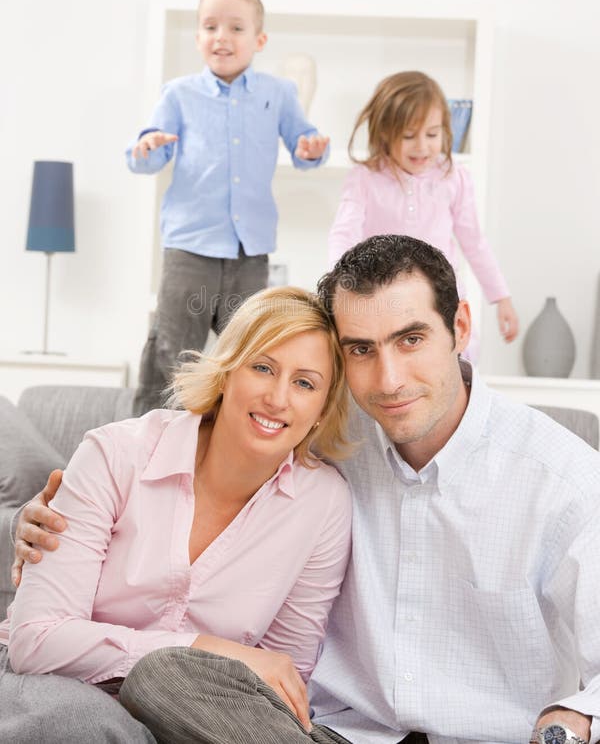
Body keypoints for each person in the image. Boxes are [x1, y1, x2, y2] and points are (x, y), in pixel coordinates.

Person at [11, 236, 600, 744]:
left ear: (461, 328)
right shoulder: (334, 442)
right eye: (362, 350)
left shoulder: (562, 479)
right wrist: (34, 522)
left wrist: (568, 722)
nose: (389, 379)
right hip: (335, 734)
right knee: (165, 675)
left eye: (411, 339)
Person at [1, 286, 352, 744]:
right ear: (227, 372)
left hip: (192, 710)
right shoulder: (116, 454)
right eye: (262, 367)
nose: (278, 398)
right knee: (87, 725)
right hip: (59, 688)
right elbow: (37, 642)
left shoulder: (323, 503)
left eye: (305, 383)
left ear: (322, 410)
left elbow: (281, 674)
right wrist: (202, 649)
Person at [128, 0, 330, 415]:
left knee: (248, 356)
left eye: (236, 28)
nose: (222, 36)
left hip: (249, 253)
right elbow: (146, 157)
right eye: (210, 26)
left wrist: (312, 148)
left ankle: (228, 439)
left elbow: (303, 144)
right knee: (172, 352)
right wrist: (147, 148)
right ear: (199, 37)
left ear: (259, 40)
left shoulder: (279, 94)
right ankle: (145, 446)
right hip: (190, 248)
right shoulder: (179, 93)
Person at [328, 71, 519, 358]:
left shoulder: (454, 177)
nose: (422, 146)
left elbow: (474, 242)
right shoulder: (365, 178)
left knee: (454, 363)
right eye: (408, 136)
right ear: (384, 133)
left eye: (432, 134)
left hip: (441, 297)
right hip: (385, 298)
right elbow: (344, 232)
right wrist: (339, 283)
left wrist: (501, 298)